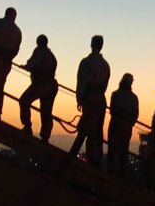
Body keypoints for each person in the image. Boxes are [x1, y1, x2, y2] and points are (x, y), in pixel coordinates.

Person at [67, 35, 109, 166]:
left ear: (91, 45)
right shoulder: (105, 65)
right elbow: (105, 84)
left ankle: (75, 158)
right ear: (101, 46)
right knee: (97, 129)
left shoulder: (86, 62)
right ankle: (96, 158)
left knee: (85, 128)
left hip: (89, 97)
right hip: (101, 99)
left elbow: (81, 81)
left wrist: (79, 98)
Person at [19, 34, 58, 138]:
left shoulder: (39, 51)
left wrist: (26, 67)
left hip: (41, 83)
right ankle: (45, 136)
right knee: (46, 111)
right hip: (52, 85)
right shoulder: (52, 56)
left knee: (24, 100)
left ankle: (27, 127)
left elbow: (32, 63)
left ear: (38, 42)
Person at [106, 73, 139, 176]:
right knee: (124, 149)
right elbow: (135, 114)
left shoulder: (115, 94)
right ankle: (122, 173)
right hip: (126, 126)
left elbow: (112, 110)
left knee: (113, 148)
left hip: (116, 124)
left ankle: (112, 172)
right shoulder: (133, 97)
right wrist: (129, 123)